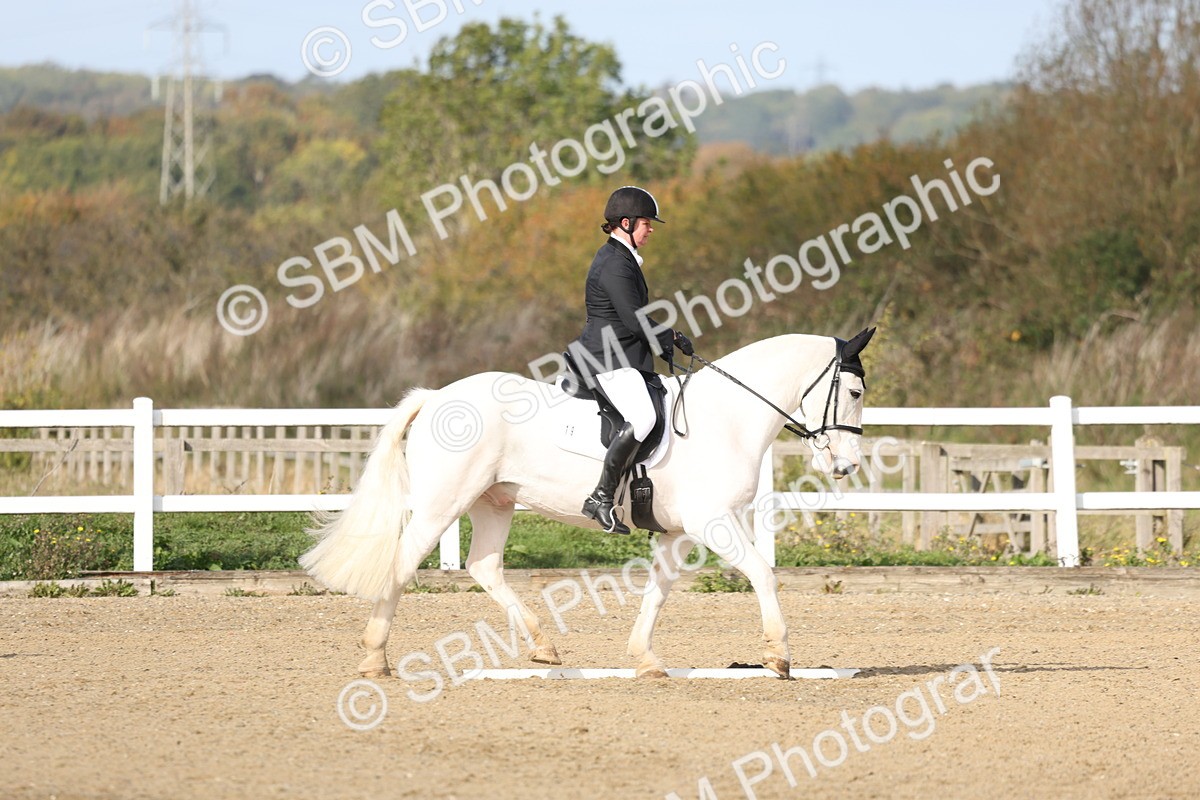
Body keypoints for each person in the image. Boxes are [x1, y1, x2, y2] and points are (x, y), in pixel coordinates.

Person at [570, 186, 692, 534]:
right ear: (625, 223)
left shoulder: (622, 258)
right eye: (646, 223)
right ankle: (601, 497)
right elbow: (633, 319)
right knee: (642, 417)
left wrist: (665, 343)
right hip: (605, 358)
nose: (650, 229)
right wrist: (670, 336)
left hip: (622, 355)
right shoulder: (614, 264)